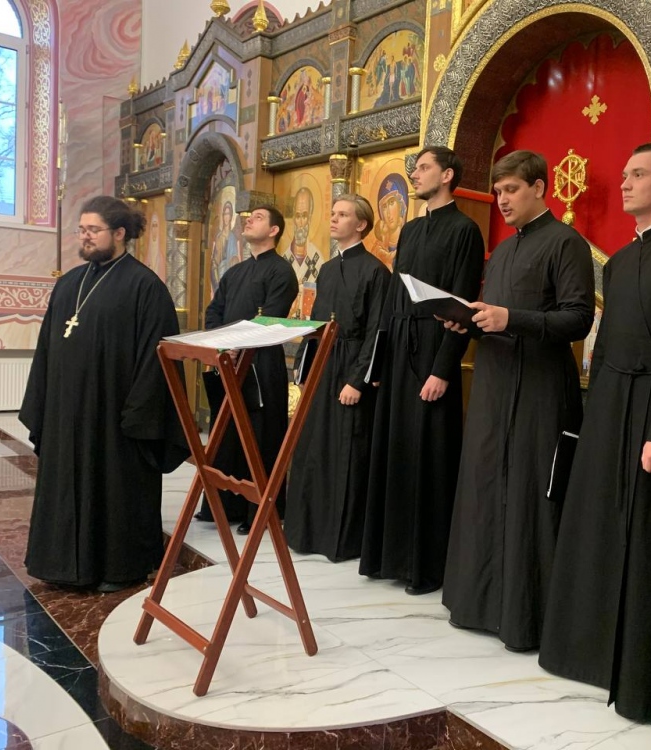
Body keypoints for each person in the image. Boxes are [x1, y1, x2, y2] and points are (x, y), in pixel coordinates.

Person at [538, 143, 651, 720]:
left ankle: (635, 669)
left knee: (646, 533)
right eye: (624, 175)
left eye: (639, 174)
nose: (625, 183)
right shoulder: (617, 261)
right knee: (595, 523)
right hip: (610, 403)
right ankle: (584, 653)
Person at [442, 150, 595, 651]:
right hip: (494, 384)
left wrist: (511, 318)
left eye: (511, 190)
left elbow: (578, 318)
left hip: (540, 389)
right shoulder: (504, 250)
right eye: (498, 192)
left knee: (530, 492)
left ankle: (527, 617)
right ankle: (479, 604)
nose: (502, 200)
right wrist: (468, 321)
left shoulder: (566, 243)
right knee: (485, 486)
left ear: (539, 188)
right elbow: (496, 317)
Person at [20, 196, 187, 593]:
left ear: (120, 233)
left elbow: (158, 359)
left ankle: (120, 567)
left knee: (113, 490)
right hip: (65, 414)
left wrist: (138, 416)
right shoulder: (68, 284)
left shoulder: (146, 287)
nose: (85, 237)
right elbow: (46, 350)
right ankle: (58, 563)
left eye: (93, 230)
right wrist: (42, 404)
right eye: (82, 230)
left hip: (114, 418)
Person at [359, 147, 485, 595]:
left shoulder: (465, 230)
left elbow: (463, 305)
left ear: (447, 175)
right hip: (398, 348)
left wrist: (443, 369)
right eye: (414, 168)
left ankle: (425, 567)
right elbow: (393, 298)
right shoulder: (410, 229)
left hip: (432, 349)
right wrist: (379, 360)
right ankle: (388, 557)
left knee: (427, 455)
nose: (415, 174)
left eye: (424, 168)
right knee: (394, 450)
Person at [284, 195, 389, 561]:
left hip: (351, 368)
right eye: (332, 213)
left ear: (360, 225)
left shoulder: (376, 272)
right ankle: (307, 532)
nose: (333, 218)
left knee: (347, 452)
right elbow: (316, 325)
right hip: (323, 366)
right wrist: (303, 370)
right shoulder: (327, 270)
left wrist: (358, 381)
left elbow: (378, 331)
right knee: (314, 449)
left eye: (342, 214)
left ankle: (341, 541)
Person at [195, 205, 297, 534]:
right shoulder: (235, 272)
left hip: (261, 364)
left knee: (259, 436)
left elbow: (271, 318)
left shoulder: (281, 272)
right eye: (249, 217)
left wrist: (237, 343)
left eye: (258, 217)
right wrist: (221, 343)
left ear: (274, 230)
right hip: (228, 360)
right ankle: (223, 506)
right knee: (225, 433)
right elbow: (214, 311)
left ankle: (259, 512)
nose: (249, 220)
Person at [287, 187, 323, 317]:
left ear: (310, 218)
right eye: (298, 216)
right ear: (293, 218)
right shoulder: (284, 259)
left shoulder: (318, 259)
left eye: (304, 216)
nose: (301, 223)